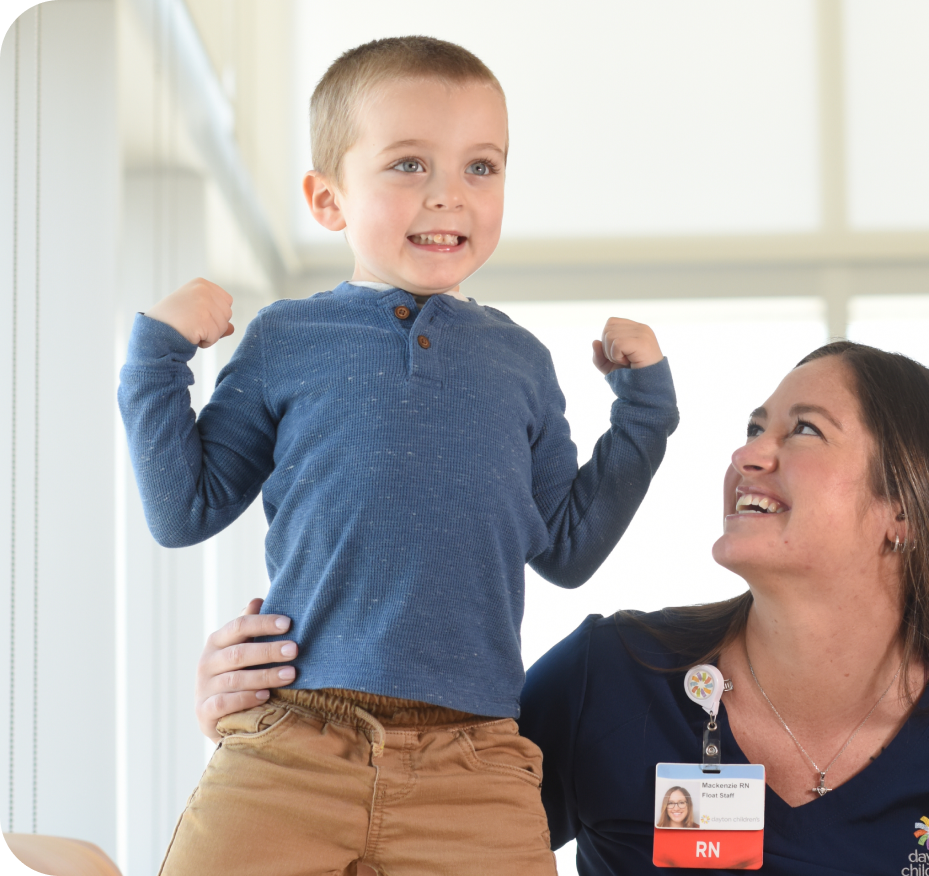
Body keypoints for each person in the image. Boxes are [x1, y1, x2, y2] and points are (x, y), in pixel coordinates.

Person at [197, 341, 929, 875]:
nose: (749, 454)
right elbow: (402, 809)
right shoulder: (615, 678)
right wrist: (271, 724)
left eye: (803, 431)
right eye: (753, 428)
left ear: (906, 511)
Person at [120, 36, 678, 876]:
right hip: (292, 748)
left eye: (481, 167)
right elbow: (182, 509)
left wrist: (646, 413)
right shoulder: (283, 340)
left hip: (476, 767)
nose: (449, 193)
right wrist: (156, 359)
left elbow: (568, 550)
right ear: (328, 199)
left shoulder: (522, 363)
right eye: (409, 164)